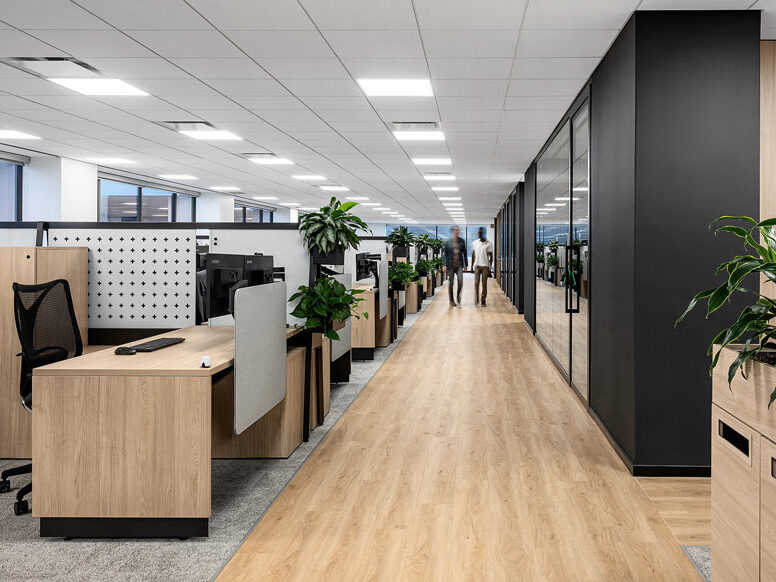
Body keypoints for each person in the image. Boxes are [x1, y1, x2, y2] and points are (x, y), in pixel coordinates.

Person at [444, 226, 467, 306]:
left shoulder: (462, 241)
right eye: (456, 230)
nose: (457, 231)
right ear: (453, 231)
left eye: (458, 230)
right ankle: (451, 300)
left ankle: (458, 297)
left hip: (459, 265)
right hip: (450, 266)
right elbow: (445, 254)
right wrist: (444, 265)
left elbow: (465, 253)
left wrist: (466, 264)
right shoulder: (448, 242)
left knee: (460, 282)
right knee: (451, 283)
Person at [471, 227, 494, 306]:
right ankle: (476, 298)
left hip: (485, 267)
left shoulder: (489, 243)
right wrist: (471, 266)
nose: (479, 234)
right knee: (476, 283)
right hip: (477, 266)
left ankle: (483, 299)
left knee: (484, 284)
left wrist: (490, 268)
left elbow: (491, 257)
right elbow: (473, 255)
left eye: (480, 233)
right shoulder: (475, 243)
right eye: (478, 233)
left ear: (483, 233)